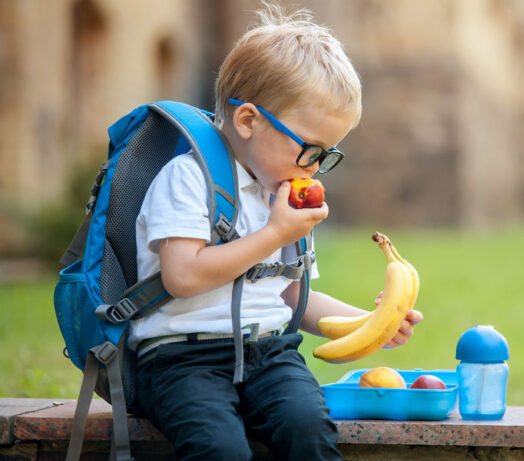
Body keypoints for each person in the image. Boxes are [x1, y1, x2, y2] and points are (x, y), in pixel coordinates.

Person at [129, 4, 423, 460]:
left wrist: (373, 324)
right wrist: (273, 233)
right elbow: (182, 277)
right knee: (220, 450)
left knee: (310, 430)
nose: (315, 166)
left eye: (327, 154)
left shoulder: (283, 197)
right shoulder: (188, 179)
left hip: (269, 354)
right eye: (309, 148)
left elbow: (291, 297)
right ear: (248, 121)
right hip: (181, 360)